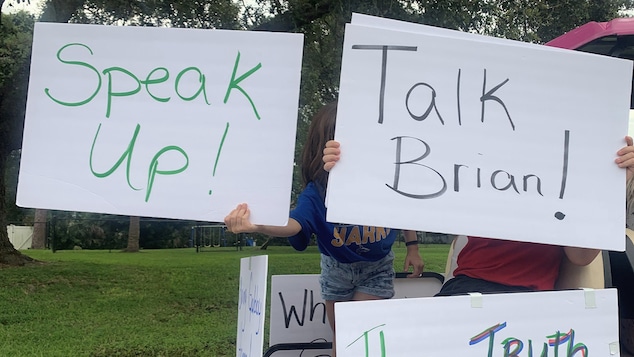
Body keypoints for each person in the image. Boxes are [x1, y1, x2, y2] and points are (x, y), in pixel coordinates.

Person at [224, 101, 423, 357]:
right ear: (323, 147)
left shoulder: (385, 181)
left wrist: (413, 248)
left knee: (357, 339)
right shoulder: (317, 192)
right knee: (341, 339)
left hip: (377, 268)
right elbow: (294, 224)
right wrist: (259, 224)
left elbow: (405, 208)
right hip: (336, 270)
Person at [323, 136, 634, 297]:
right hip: (470, 289)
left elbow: (581, 257)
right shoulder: (480, 170)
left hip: (533, 302)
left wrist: (612, 187)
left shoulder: (567, 185)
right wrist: (350, 166)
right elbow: (403, 187)